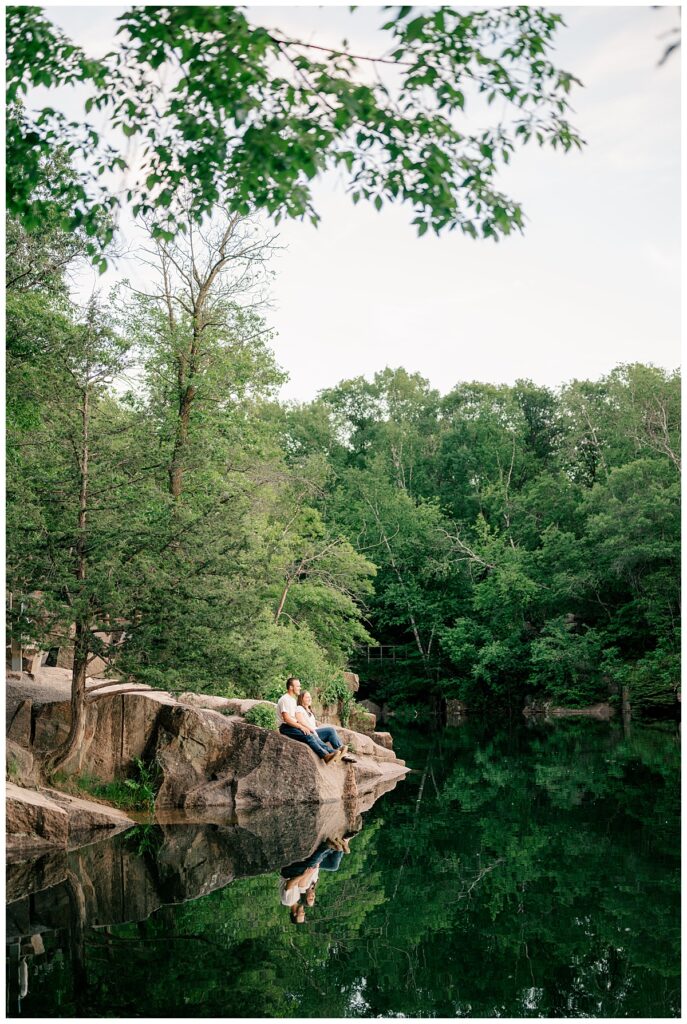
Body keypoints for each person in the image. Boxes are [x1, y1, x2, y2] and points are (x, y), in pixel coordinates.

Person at [277, 676, 345, 764]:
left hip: (292, 726)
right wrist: (301, 727)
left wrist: (303, 727)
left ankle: (331, 752)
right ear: (291, 687)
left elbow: (293, 719)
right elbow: (286, 719)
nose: (299, 688)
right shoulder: (285, 699)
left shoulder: (292, 700)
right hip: (286, 727)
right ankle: (325, 755)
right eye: (297, 686)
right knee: (308, 736)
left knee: (311, 733)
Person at [296, 690, 354, 761]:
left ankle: (342, 753)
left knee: (330, 732)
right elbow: (300, 721)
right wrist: (312, 730)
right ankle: (341, 752)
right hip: (310, 733)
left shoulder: (309, 710)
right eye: (307, 697)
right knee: (330, 730)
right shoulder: (299, 708)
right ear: (301, 699)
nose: (310, 699)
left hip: (315, 732)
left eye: (310, 697)